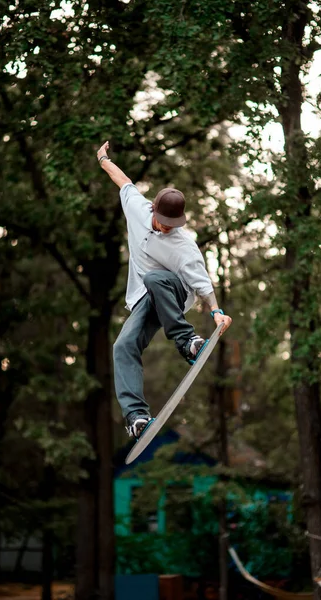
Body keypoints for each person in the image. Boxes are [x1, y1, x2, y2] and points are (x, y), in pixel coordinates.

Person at [97, 141, 232, 440]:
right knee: (123, 346)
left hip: (175, 293)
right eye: (164, 222)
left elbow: (202, 283)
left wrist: (217, 312)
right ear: (153, 209)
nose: (167, 229)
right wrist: (103, 158)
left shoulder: (184, 246)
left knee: (156, 278)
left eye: (173, 225)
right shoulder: (137, 209)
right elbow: (124, 182)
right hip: (144, 299)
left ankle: (187, 342)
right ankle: (137, 417)